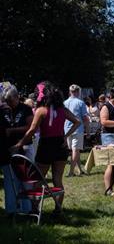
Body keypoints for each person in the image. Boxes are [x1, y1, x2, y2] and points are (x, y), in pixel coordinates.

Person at [12, 81, 80, 214]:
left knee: (38, 179)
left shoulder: (41, 110)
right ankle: (58, 209)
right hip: (60, 146)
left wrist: (19, 144)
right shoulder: (63, 110)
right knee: (57, 180)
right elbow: (77, 122)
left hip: (46, 147)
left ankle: (35, 208)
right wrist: (65, 136)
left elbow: (32, 131)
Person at [0, 85, 33, 215]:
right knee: (9, 180)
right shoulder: (3, 111)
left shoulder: (26, 109)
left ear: (17, 97)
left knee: (25, 180)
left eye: (11, 101)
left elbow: (30, 127)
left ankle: (27, 209)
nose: (9, 104)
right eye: (6, 102)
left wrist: (13, 131)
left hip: (24, 147)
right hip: (7, 150)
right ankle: (11, 210)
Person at [64, 84, 90, 177]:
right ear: (78, 92)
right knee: (75, 150)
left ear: (69, 92)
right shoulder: (81, 103)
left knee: (74, 150)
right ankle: (71, 172)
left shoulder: (64, 102)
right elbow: (85, 118)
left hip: (67, 129)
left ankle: (79, 170)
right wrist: (88, 131)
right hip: (77, 129)